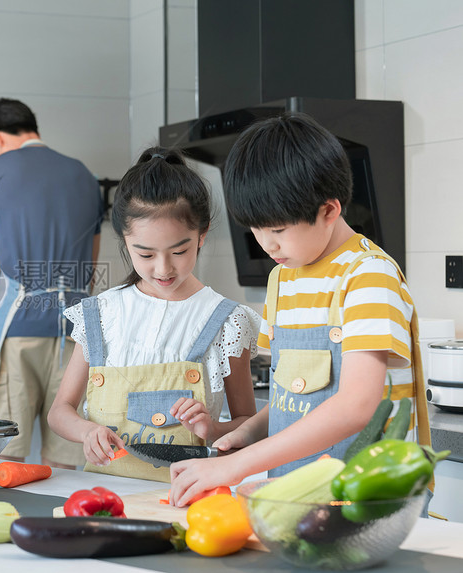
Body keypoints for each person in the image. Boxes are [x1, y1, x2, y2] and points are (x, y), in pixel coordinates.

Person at [169, 112, 431, 506]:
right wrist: (246, 432)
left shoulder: (368, 276)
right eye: (255, 230)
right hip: (295, 497)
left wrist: (234, 468)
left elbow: (355, 407)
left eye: (277, 230)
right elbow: (296, 397)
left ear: (329, 211)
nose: (266, 246)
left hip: (370, 502)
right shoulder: (283, 278)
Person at [48, 147, 261, 482]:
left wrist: (213, 428)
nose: (163, 268)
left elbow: (250, 424)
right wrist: (87, 432)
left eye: (180, 251)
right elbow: (60, 412)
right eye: (145, 253)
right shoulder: (101, 313)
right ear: (124, 239)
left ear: (202, 235)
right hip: (104, 495)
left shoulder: (227, 320)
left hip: (189, 497)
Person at [0, 98, 104, 469]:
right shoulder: (83, 174)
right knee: (66, 458)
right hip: (78, 335)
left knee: (4, 455)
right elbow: (89, 270)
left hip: (20, 328)